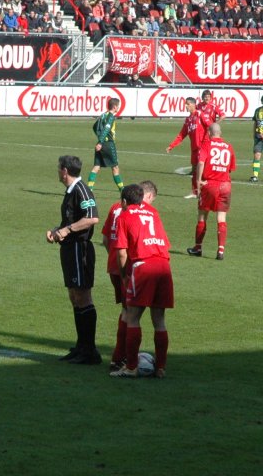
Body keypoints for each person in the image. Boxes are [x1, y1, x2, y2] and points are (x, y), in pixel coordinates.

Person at [109, 184, 172, 379]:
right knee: (159, 320)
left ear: (125, 202)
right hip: (163, 265)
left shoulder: (124, 215)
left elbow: (121, 252)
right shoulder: (153, 212)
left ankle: (131, 367)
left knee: (132, 316)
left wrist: (125, 275)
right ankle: (160, 368)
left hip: (143, 266)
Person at [46, 155, 101, 365]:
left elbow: (91, 218)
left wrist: (67, 230)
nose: (58, 172)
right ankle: (81, 346)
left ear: (65, 171)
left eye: (59, 168)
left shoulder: (82, 190)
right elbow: (70, 219)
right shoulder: (71, 191)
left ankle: (90, 351)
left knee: (83, 296)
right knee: (74, 296)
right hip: (70, 249)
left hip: (81, 249)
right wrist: (56, 231)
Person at [106, 180, 158, 371]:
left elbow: (105, 238)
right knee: (130, 313)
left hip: (114, 264)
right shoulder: (143, 214)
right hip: (130, 267)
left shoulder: (114, 208)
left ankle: (119, 357)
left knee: (125, 311)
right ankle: (120, 359)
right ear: (145, 196)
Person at [187, 123, 236, 260]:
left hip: (210, 185)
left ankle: (198, 247)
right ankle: (220, 251)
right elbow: (230, 168)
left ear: (209, 132)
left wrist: (198, 181)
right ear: (220, 133)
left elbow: (201, 163)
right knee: (221, 218)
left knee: (202, 216)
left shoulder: (207, 145)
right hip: (225, 185)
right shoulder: (229, 147)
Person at [166, 97, 212, 198]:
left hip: (203, 147)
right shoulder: (188, 119)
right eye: (185, 104)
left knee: (202, 171)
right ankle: (195, 192)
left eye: (187, 104)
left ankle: (205, 192)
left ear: (193, 105)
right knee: (195, 171)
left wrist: (209, 140)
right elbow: (182, 135)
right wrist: (171, 146)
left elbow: (211, 126)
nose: (185, 106)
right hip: (194, 149)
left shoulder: (200, 114)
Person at [87, 97, 125, 192]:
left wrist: (99, 138)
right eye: (118, 106)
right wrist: (101, 141)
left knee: (96, 167)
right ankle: (122, 190)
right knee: (115, 167)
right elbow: (107, 128)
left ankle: (89, 189)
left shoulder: (103, 115)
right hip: (108, 144)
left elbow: (95, 126)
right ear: (115, 107)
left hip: (101, 143)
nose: (119, 108)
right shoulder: (111, 116)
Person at [250, 96, 263, 183]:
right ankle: (255, 176)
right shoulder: (258, 111)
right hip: (259, 137)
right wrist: (254, 134)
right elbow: (255, 123)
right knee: (257, 155)